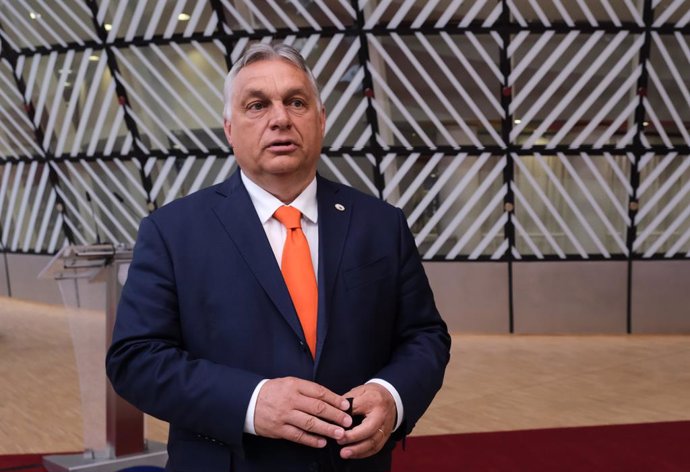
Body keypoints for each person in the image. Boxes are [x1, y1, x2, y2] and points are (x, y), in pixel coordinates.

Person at [106, 42, 451, 472]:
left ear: (321, 121)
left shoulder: (382, 225)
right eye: (256, 105)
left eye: (296, 102)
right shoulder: (172, 232)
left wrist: (392, 395)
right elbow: (135, 359)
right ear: (229, 128)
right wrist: (250, 401)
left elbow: (424, 336)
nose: (281, 118)